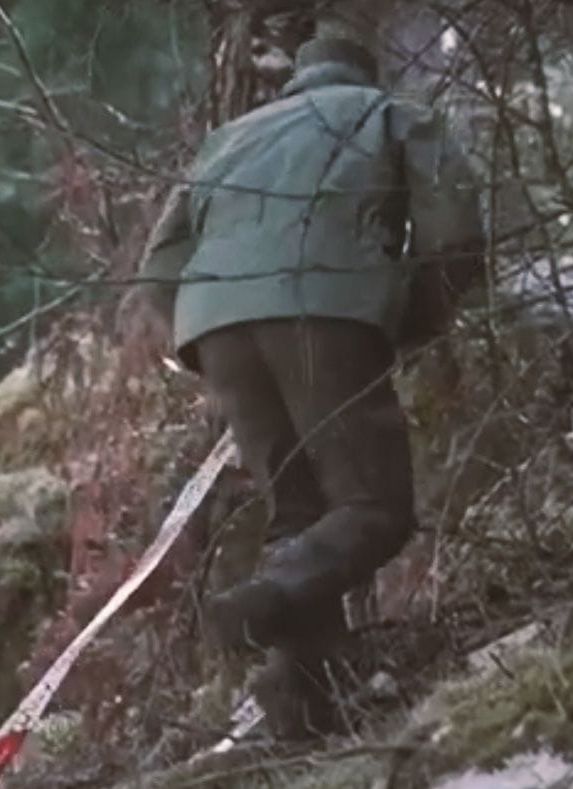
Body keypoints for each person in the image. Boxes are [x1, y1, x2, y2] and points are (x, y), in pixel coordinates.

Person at [132, 33, 487, 738]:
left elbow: (157, 268)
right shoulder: (388, 114)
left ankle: (304, 711)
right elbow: (454, 237)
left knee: (299, 517)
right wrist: (401, 317)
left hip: (217, 324)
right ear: (363, 74)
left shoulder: (230, 139)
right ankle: (260, 603)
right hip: (328, 307)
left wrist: (206, 334)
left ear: (298, 81)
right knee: (374, 507)